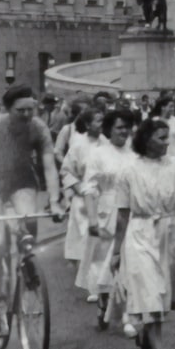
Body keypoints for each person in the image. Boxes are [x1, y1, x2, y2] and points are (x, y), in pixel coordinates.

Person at [111, 117, 175, 349]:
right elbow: (122, 215)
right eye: (161, 138)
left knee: (160, 296)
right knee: (150, 293)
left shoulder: (174, 165)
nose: (167, 143)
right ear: (146, 139)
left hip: (168, 232)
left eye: (168, 137)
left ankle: (146, 337)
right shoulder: (129, 170)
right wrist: (117, 251)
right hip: (139, 235)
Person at [0, 85, 64, 340]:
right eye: (20, 110)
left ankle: (27, 268)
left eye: (30, 109)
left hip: (22, 179)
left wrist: (55, 201)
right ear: (6, 109)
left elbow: (48, 166)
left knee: (27, 224)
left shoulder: (38, 127)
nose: (26, 115)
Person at [76, 109, 134, 329]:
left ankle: (128, 313)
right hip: (105, 213)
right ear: (109, 129)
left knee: (127, 262)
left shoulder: (134, 153)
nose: (124, 131)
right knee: (105, 267)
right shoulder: (98, 154)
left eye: (127, 127)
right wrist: (92, 219)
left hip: (128, 214)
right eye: (119, 127)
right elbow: (89, 188)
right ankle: (103, 303)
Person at [60, 110, 106, 269]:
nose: (102, 124)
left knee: (105, 243)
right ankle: (94, 287)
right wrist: (79, 188)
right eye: (98, 120)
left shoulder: (108, 143)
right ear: (87, 125)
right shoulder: (78, 146)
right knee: (89, 240)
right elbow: (66, 171)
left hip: (105, 200)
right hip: (83, 202)